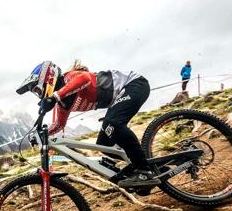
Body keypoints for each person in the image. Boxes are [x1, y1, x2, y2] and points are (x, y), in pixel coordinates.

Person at [16, 60, 160, 188]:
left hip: (134, 84)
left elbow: (85, 78)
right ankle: (144, 164)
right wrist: (42, 133)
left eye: (37, 89)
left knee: (113, 124)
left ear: (47, 77)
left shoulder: (68, 77)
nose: (38, 93)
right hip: (121, 96)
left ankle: (144, 171)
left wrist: (55, 96)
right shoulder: (63, 103)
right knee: (104, 144)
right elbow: (59, 125)